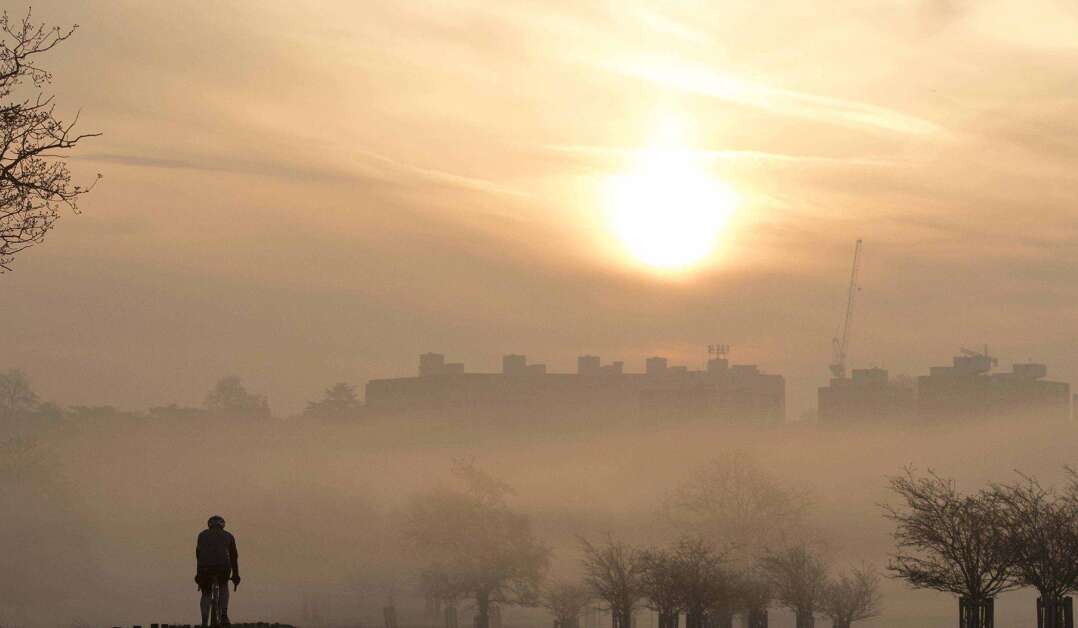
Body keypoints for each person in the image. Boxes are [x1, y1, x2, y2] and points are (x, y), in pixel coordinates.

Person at [195, 514, 241, 626]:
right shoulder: (228, 535)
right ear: (223, 525)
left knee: (205, 593)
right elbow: (234, 557)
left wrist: (198, 575)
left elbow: (199, 555)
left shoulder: (202, 535)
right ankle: (224, 614)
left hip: (204, 568)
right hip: (223, 567)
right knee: (224, 585)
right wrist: (236, 575)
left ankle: (204, 621)